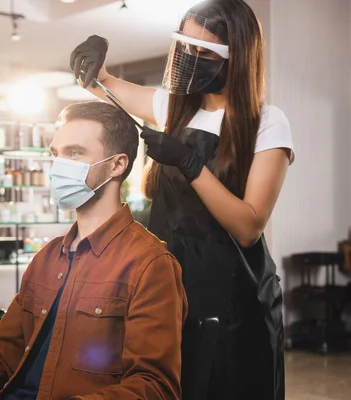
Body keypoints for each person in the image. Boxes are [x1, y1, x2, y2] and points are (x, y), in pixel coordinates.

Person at [70, 1, 292, 399]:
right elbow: (97, 81)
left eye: (205, 53)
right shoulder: (171, 107)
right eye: (186, 47)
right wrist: (95, 48)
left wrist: (190, 164)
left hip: (235, 297)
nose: (192, 59)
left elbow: (248, 227)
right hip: (168, 285)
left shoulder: (266, 122)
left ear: (237, 57)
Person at [0, 101, 188, 400]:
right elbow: (2, 357)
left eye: (74, 153)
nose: (59, 166)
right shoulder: (48, 258)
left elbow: (155, 388)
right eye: (56, 154)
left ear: (117, 165)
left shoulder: (150, 264)